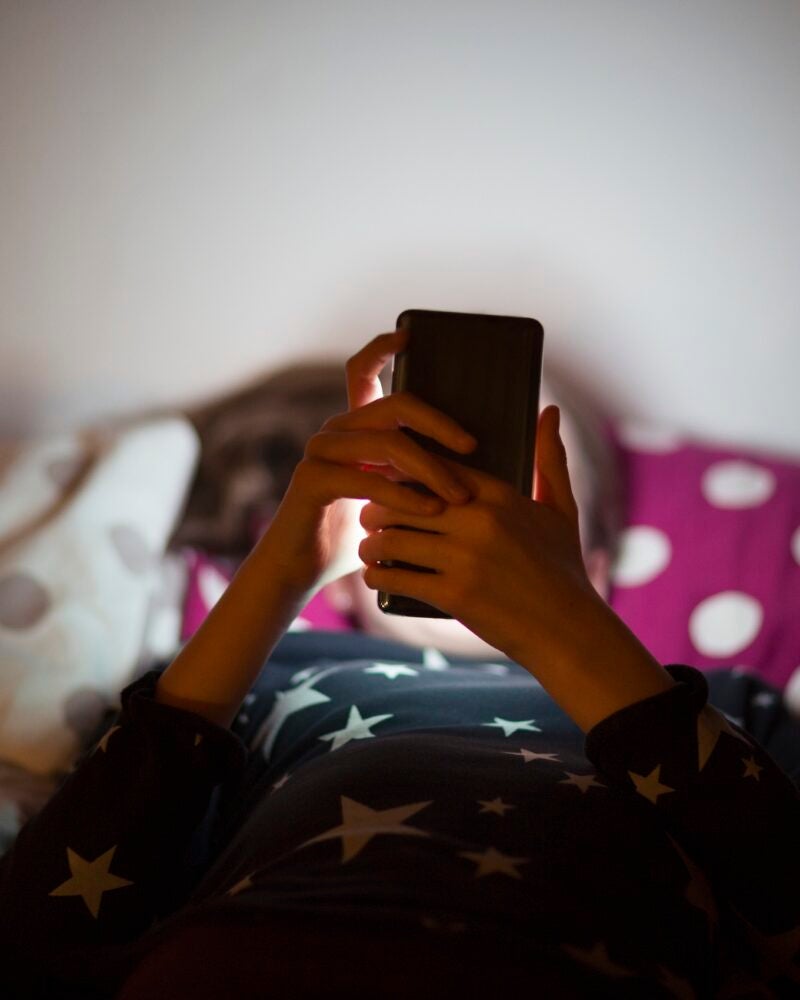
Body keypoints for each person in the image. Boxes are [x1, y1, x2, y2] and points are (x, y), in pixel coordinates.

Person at [1, 330, 798, 999]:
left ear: (590, 556)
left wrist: (572, 630)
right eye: (412, 470)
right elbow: (41, 926)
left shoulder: (715, 709)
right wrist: (278, 575)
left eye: (500, 470)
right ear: (347, 580)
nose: (454, 492)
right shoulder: (259, 673)